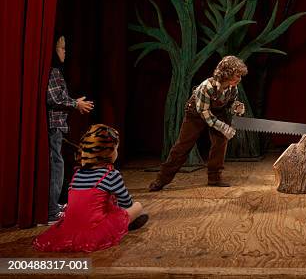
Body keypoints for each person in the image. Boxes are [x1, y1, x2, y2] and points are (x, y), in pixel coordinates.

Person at [33, 124, 148, 253]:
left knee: (108, 205)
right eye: (116, 149)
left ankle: (122, 223)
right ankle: (126, 225)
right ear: (109, 152)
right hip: (94, 231)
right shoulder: (111, 174)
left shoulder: (77, 173)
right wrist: (120, 217)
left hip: (71, 228)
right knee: (138, 206)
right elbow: (127, 203)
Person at [149, 55, 248, 191]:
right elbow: (205, 115)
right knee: (183, 145)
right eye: (237, 75)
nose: (240, 79)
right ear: (227, 74)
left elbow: (228, 106)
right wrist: (223, 126)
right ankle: (161, 179)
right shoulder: (206, 87)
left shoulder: (233, 88)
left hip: (216, 112)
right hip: (196, 114)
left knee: (220, 141)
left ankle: (214, 178)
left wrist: (236, 107)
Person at [46, 35, 94, 225]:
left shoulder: (55, 71)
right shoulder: (54, 72)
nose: (65, 52)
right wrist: (76, 104)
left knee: (57, 163)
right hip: (54, 125)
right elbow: (54, 98)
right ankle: (51, 211)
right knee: (56, 165)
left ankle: (54, 205)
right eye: (61, 48)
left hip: (56, 125)